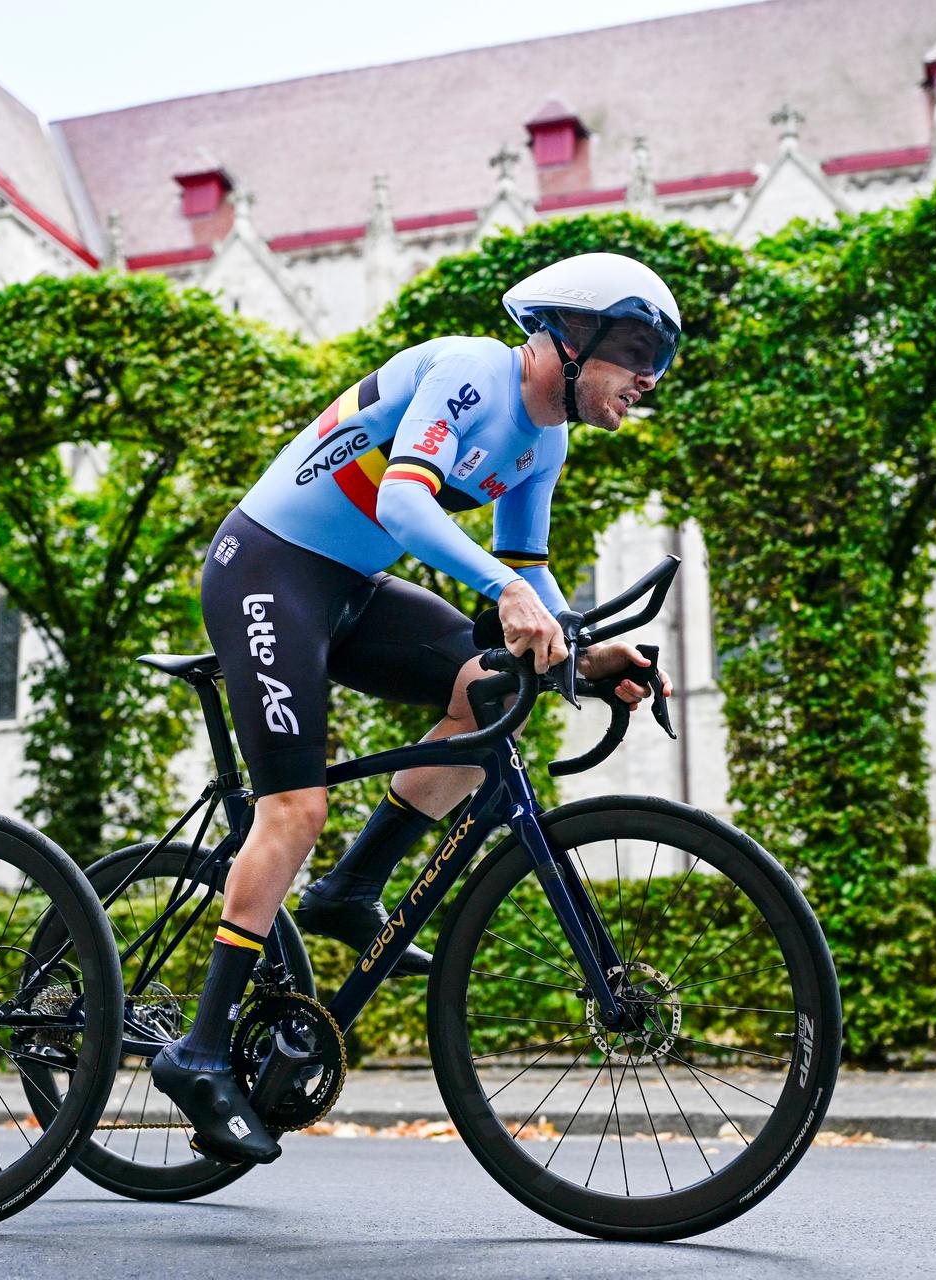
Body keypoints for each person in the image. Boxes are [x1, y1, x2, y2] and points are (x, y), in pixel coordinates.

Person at [151, 253, 679, 1163]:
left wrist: (584, 657)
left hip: (349, 587)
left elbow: (531, 579)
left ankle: (351, 888)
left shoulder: (544, 442)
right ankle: (199, 1054)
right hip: (269, 568)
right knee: (295, 807)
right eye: (636, 349)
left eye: (660, 362)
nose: (647, 378)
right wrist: (507, 592)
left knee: (482, 691)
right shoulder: (474, 374)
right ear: (568, 335)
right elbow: (404, 500)